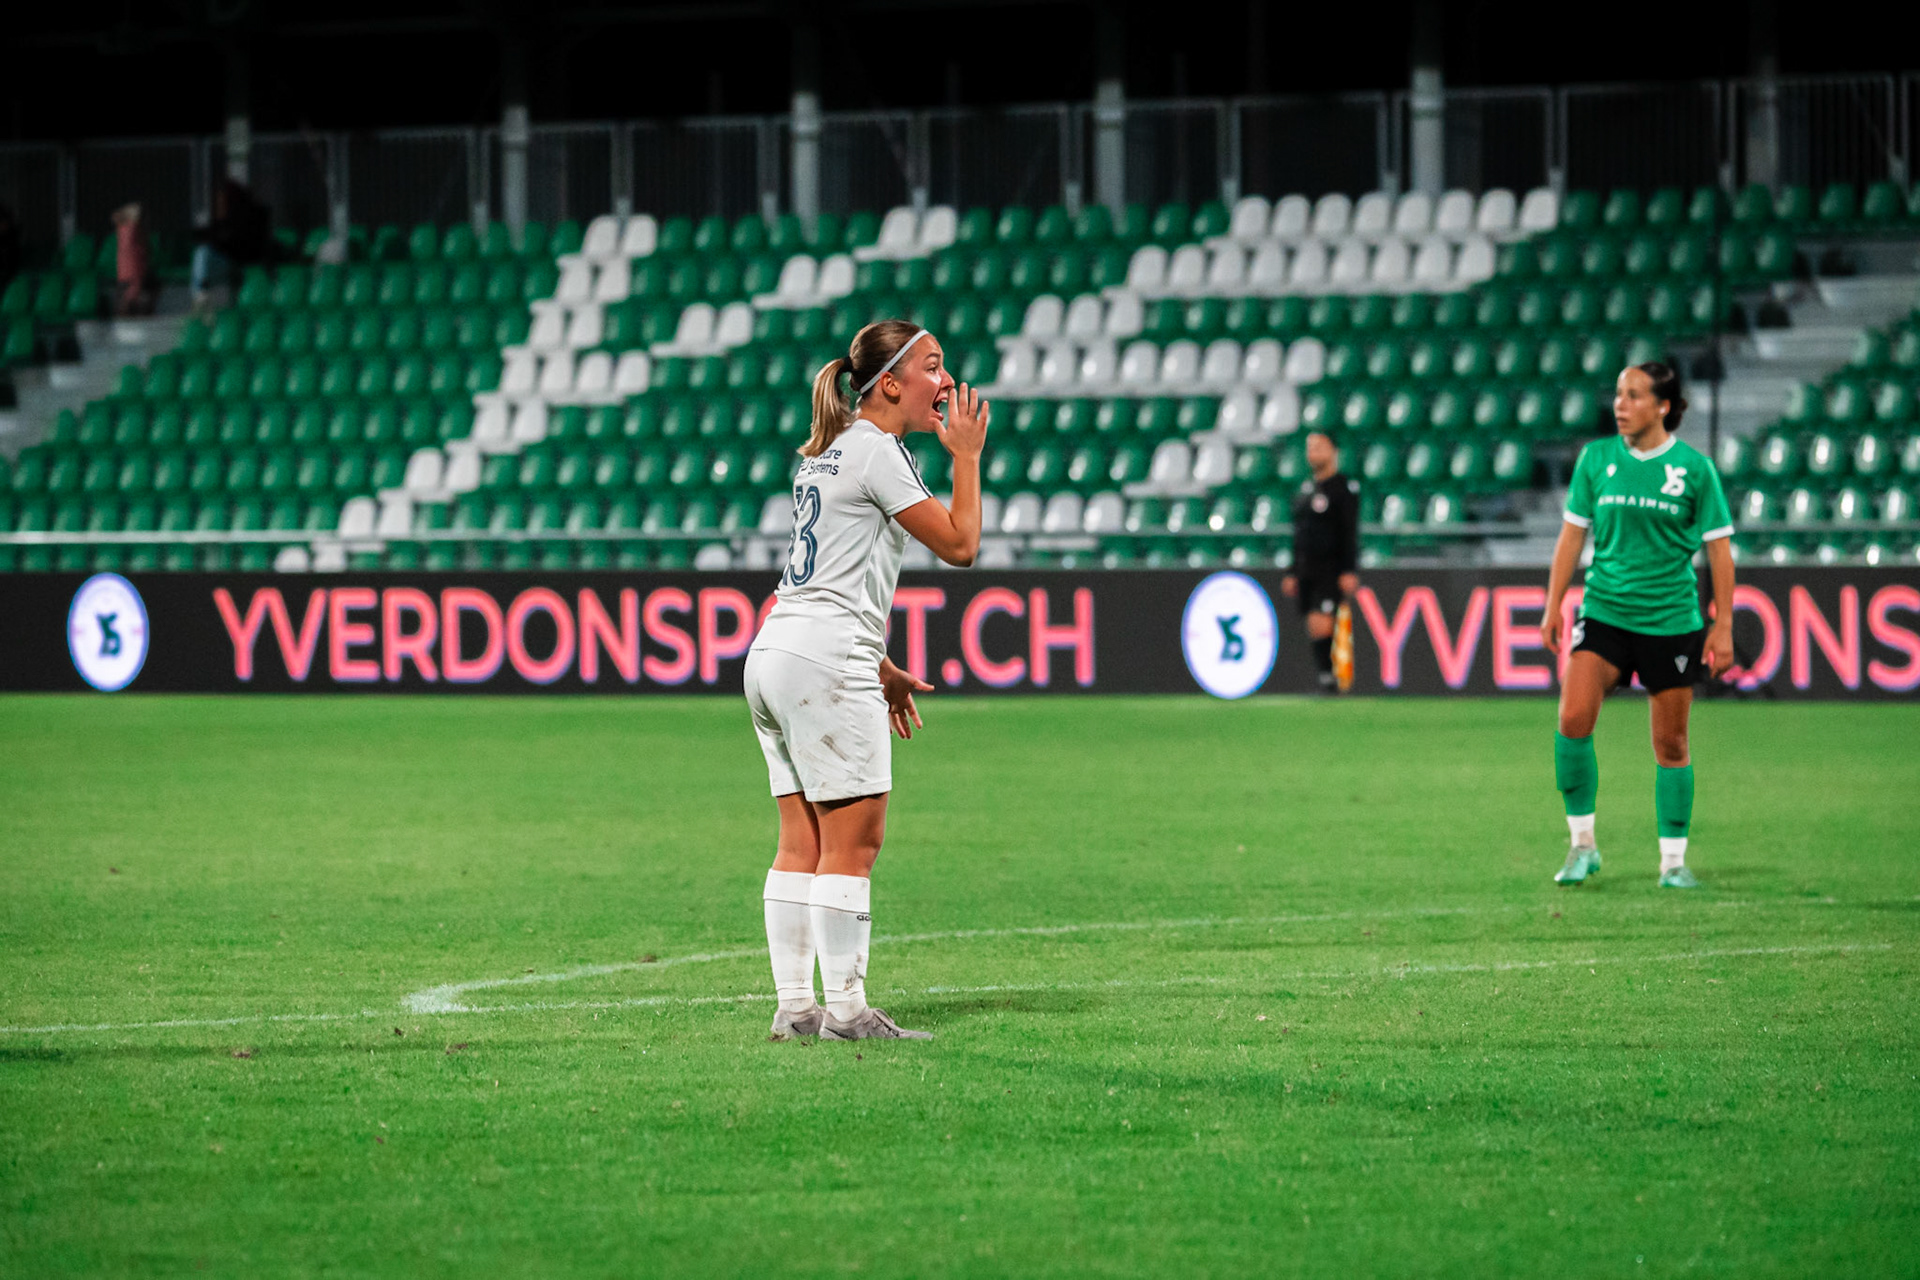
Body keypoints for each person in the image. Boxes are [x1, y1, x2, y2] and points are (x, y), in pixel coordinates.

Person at [745, 320, 989, 1042]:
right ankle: (848, 1014)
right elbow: (961, 545)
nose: (946, 381)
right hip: (825, 657)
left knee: (801, 841)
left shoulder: (830, 450)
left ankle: (797, 1008)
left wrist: (879, 666)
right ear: (890, 383)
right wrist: (966, 458)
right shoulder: (879, 451)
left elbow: (828, 574)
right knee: (854, 844)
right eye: (933, 367)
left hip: (775, 651)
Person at [1541, 362, 1735, 889]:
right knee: (1572, 717)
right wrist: (1553, 603)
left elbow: (1719, 551)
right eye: (1618, 394)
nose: (1620, 405)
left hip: (1670, 622)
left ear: (1663, 406)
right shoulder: (1596, 459)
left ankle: (1673, 862)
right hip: (1605, 612)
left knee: (1670, 743)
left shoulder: (1694, 470)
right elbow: (1571, 536)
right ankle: (1582, 845)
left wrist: (1722, 625)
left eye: (1634, 395)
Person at [1280, 430, 1360, 692]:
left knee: (1323, 621)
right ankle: (1326, 676)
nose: (1312, 452)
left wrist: (1348, 569)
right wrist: (1292, 571)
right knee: (1313, 623)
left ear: (1333, 451)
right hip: (1306, 568)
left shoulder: (1343, 489)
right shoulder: (1305, 490)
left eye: (1319, 447)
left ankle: (1329, 679)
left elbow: (1349, 532)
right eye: (1310, 447)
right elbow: (1299, 535)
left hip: (1330, 568)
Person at [111, 204, 155, 317]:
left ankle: (128, 311)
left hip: (128, 272)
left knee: (128, 296)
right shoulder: (131, 229)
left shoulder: (125, 229)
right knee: (129, 297)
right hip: (131, 271)